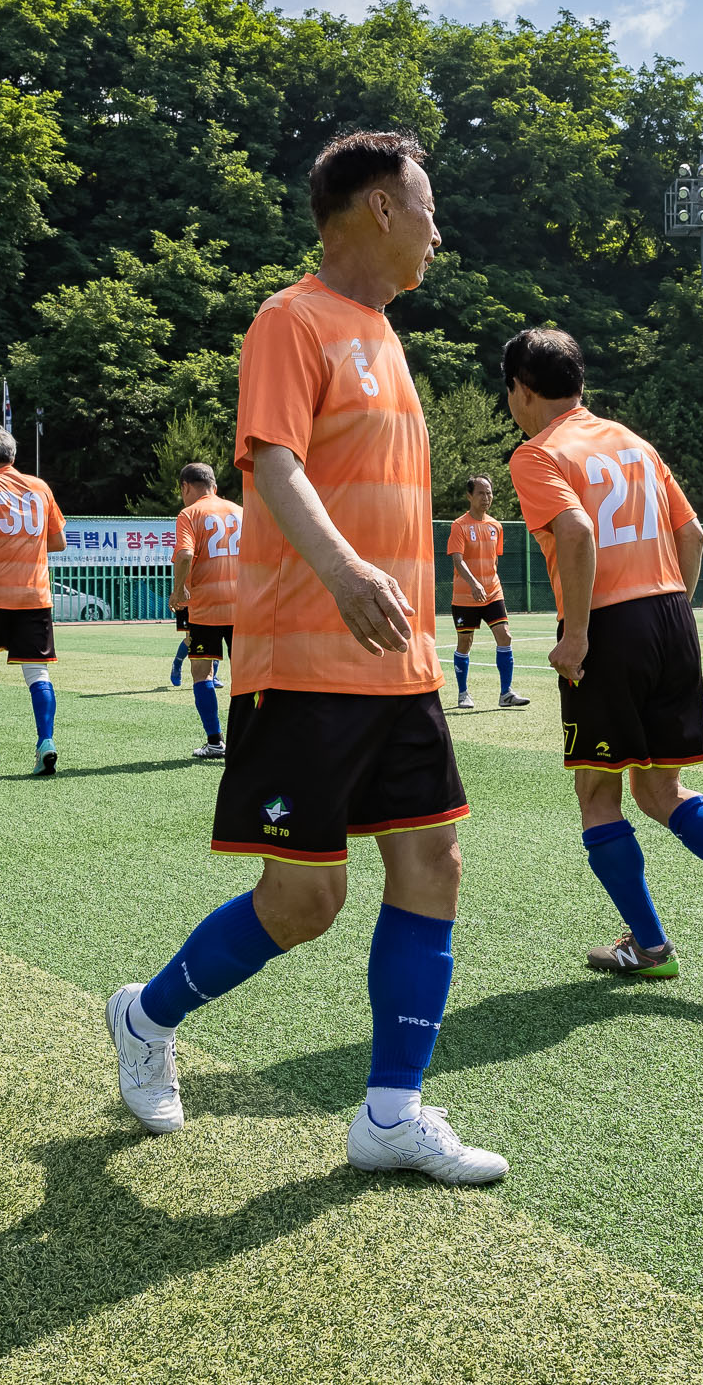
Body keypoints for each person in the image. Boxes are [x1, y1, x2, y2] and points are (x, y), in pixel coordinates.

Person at [105, 131, 504, 1184]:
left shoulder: (384, 331)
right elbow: (271, 459)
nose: (435, 227)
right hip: (307, 656)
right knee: (304, 903)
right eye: (425, 206)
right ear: (378, 206)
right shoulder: (292, 319)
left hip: (400, 662)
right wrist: (341, 570)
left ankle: (390, 1111)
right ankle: (145, 1015)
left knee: (434, 862)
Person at [505, 326, 703, 983]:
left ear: (522, 390)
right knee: (660, 786)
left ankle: (652, 946)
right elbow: (687, 532)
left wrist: (576, 634)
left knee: (597, 791)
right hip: (669, 615)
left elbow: (576, 530)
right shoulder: (634, 442)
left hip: (609, 624)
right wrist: (675, 611)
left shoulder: (537, 453)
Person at [0, 426, 66, 774]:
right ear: (14, 457)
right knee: (37, 673)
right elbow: (59, 541)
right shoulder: (40, 487)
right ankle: (45, 741)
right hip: (35, 595)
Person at [170, 462, 241, 759]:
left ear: (186, 486)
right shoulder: (240, 511)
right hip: (243, 606)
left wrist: (178, 589)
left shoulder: (189, 513)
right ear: (213, 484)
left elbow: (185, 554)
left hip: (205, 608)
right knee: (248, 675)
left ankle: (215, 742)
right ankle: (251, 739)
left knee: (201, 672)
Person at [445, 475, 529, 711]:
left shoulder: (496, 526)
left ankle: (506, 693)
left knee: (505, 636)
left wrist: (487, 584)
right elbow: (458, 560)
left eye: (489, 493)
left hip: (492, 593)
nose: (486, 497)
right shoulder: (459, 526)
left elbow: (492, 561)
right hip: (465, 596)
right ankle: (463, 694)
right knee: (465, 642)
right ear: (469, 496)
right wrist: (473, 584)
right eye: (481, 493)